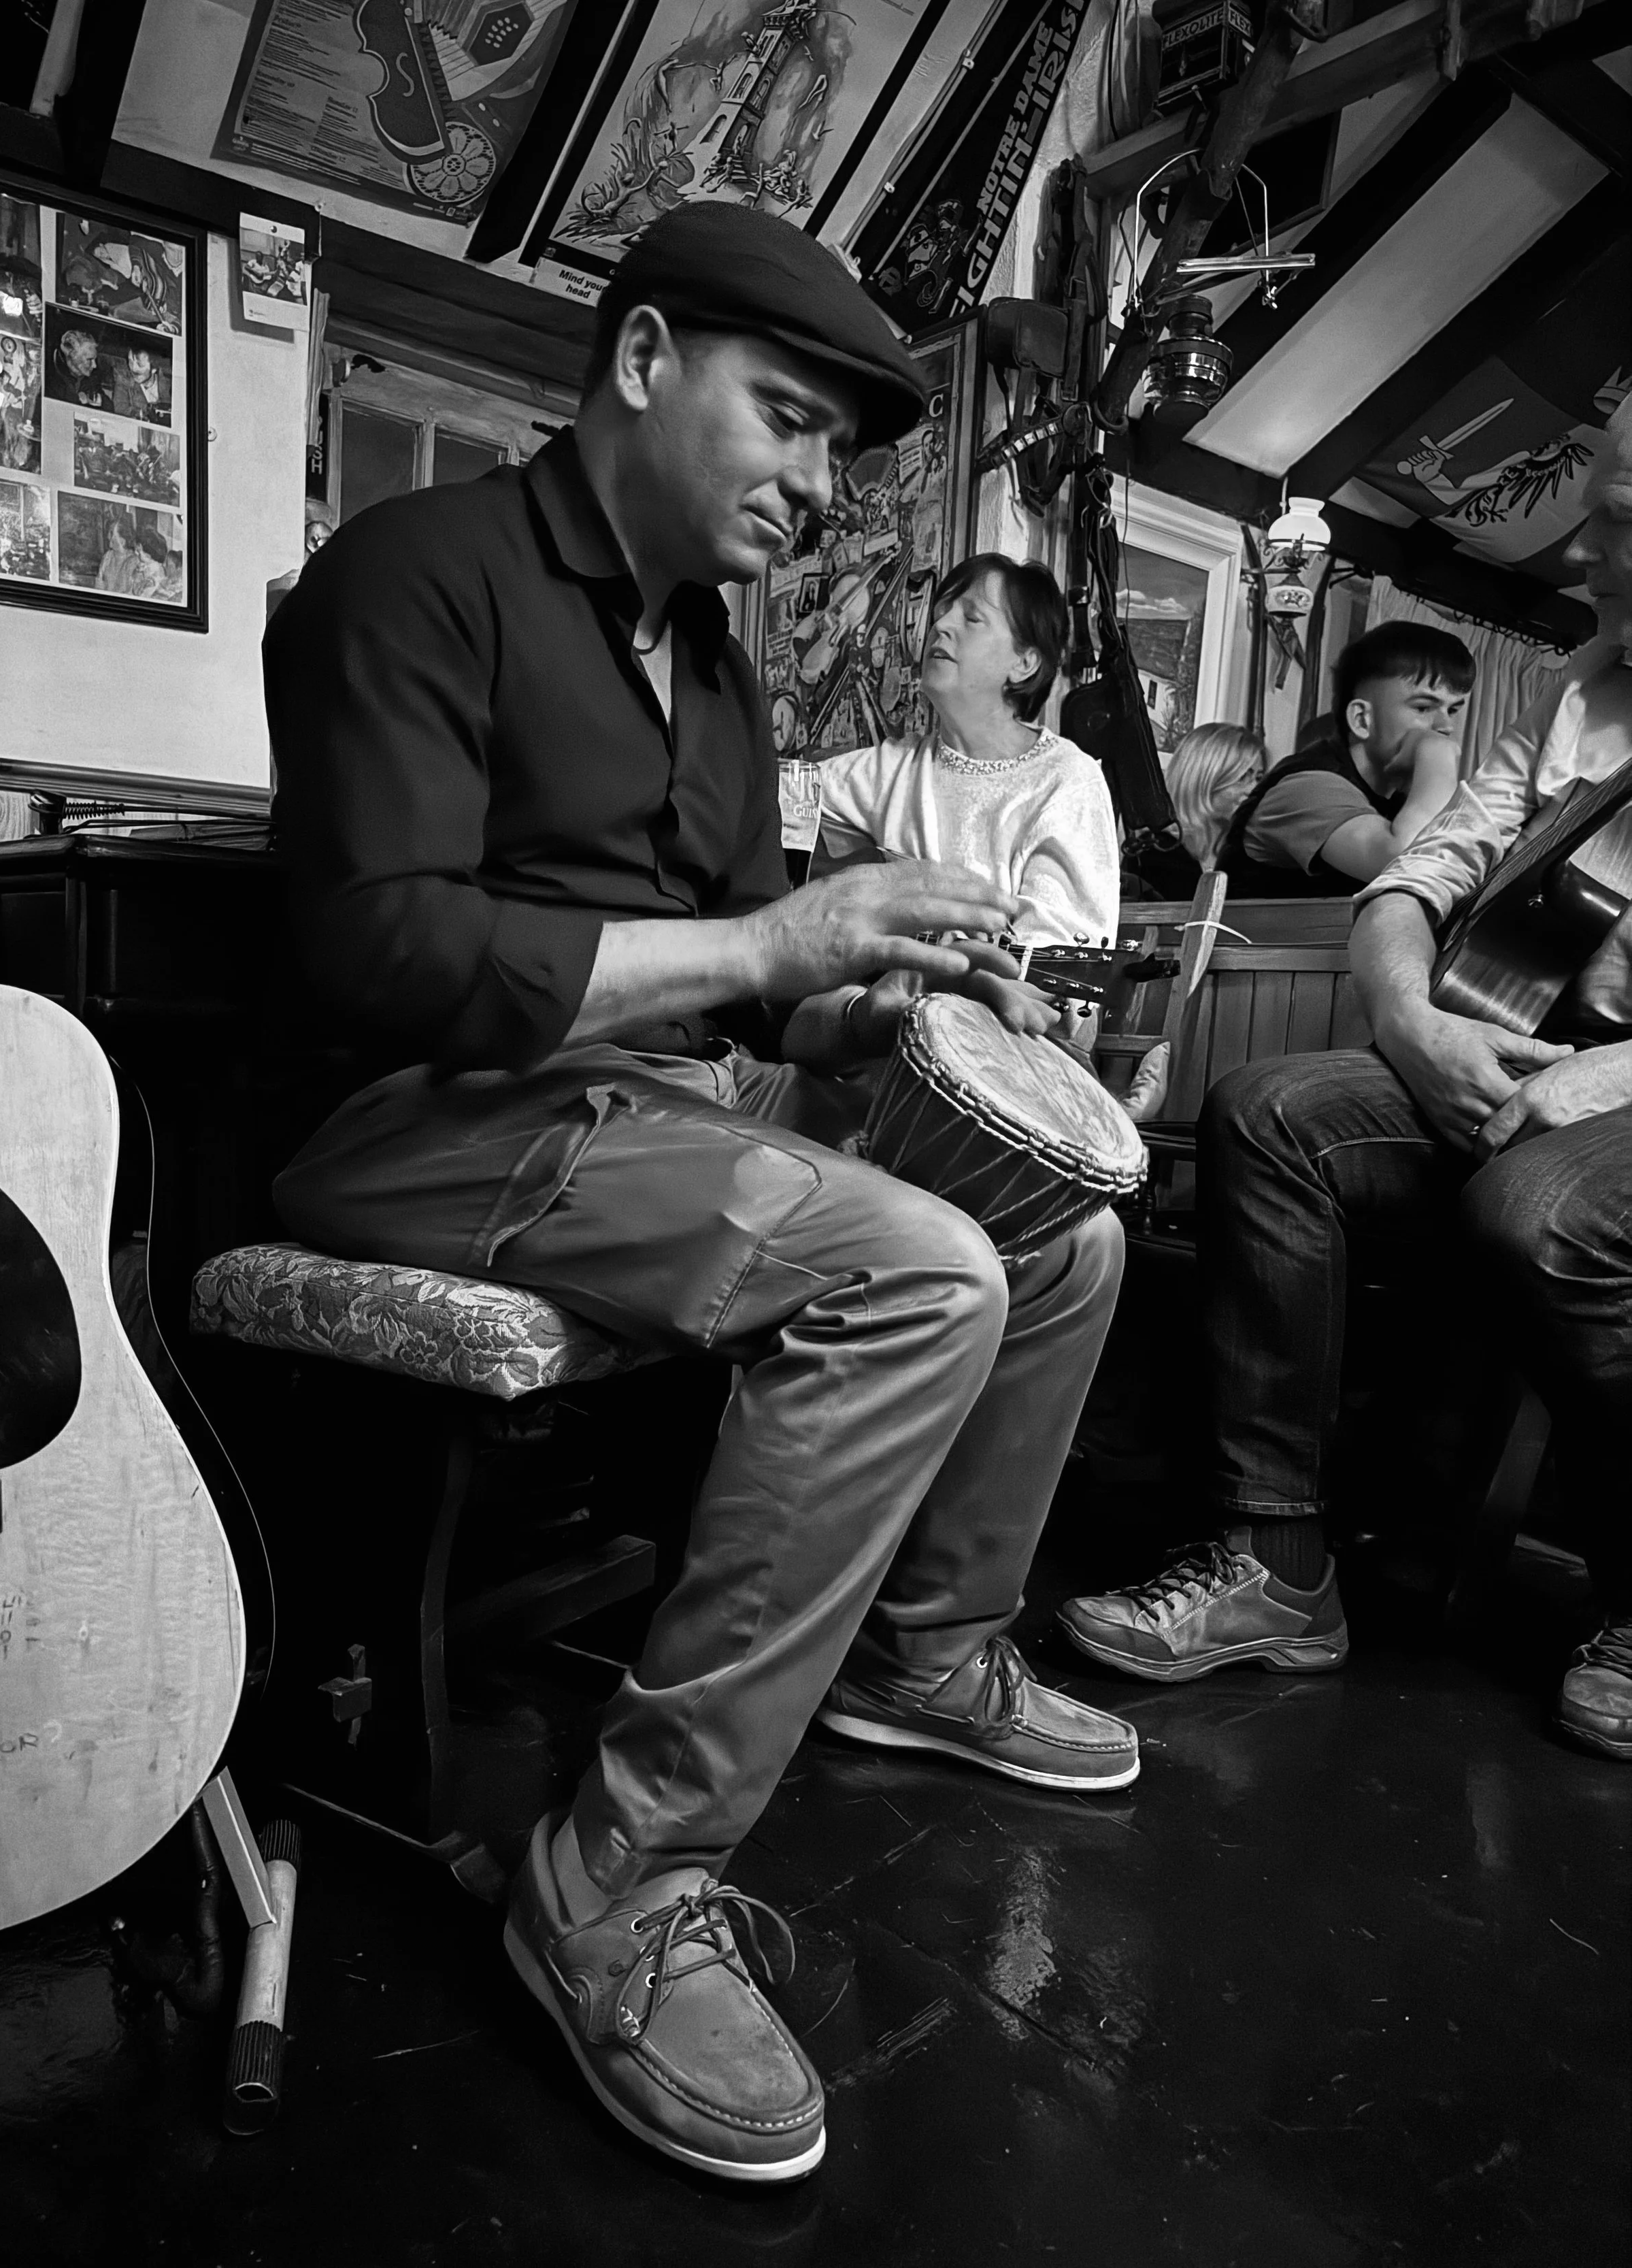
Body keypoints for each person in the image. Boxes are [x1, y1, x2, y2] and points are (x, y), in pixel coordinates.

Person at [263, 201, 1137, 2185]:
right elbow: (381, 955)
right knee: (915, 1271)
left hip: (656, 1115)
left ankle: (922, 1651)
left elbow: (760, 990)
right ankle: (612, 1875)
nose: (815, 486)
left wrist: (878, 985)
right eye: (787, 422)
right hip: (436, 1119)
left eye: (837, 449)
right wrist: (769, 959)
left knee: (1062, 1234)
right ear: (643, 361)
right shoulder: (414, 576)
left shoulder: (717, 682)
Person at [1057, 398, 1632, 1762]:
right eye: (1597, 517)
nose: (1582, 556)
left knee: (1537, 1206)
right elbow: (1409, 882)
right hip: (1510, 1053)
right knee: (1266, 1113)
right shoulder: (1576, 690)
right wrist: (1407, 1025)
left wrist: (1597, 1085)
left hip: (1605, 1100)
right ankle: (1276, 1568)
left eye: (1616, 526)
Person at [812, 553, 1119, 1049]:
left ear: (1024, 663)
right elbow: (777, 798)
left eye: (971, 616)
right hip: (889, 1032)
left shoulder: (1067, 779)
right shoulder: (895, 767)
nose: (941, 623)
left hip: (1007, 1048)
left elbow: (1063, 980)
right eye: (943, 609)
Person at [1215, 623, 1474, 895]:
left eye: (1453, 710)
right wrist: (1437, 757)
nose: (1446, 726)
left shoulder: (1399, 803)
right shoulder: (1308, 788)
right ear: (1363, 719)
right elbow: (1409, 863)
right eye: (1423, 707)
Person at [1163, 723, 1268, 870]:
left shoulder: (1246, 854)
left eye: (1258, 778)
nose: (1254, 790)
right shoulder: (1159, 853)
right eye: (1242, 777)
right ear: (1202, 777)